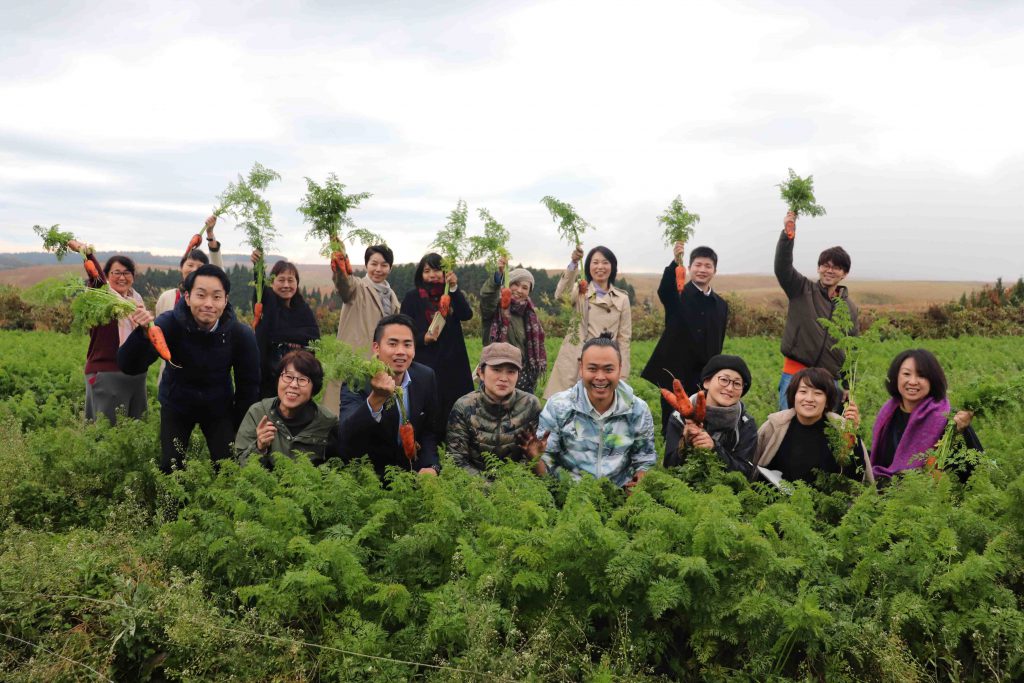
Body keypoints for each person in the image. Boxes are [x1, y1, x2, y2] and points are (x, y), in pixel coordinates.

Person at [118, 264, 260, 473]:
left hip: (218, 406)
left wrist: (240, 427)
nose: (208, 304)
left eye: (217, 297)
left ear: (226, 300)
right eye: (201, 295)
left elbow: (249, 385)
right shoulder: (168, 325)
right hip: (177, 404)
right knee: (171, 466)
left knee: (227, 465)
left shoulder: (240, 334)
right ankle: (174, 505)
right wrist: (141, 335)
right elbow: (129, 366)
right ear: (187, 297)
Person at [532, 334, 655, 488]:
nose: (600, 377)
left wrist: (639, 482)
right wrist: (535, 458)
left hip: (619, 498)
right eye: (592, 368)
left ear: (619, 369)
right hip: (568, 498)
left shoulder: (637, 409)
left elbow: (645, 459)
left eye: (608, 369)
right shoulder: (558, 406)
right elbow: (546, 460)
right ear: (581, 368)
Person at [337, 313, 442, 477]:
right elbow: (346, 435)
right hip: (370, 476)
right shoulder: (357, 379)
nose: (401, 351)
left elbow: (429, 431)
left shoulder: (425, 377)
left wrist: (431, 466)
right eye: (392, 344)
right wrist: (376, 399)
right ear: (376, 348)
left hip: (412, 474)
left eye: (407, 345)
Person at [774, 210, 858, 410]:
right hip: (795, 374)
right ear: (819, 268)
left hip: (829, 381)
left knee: (824, 436)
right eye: (825, 265)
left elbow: (851, 348)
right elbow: (782, 267)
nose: (830, 270)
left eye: (836, 267)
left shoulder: (849, 308)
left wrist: (847, 384)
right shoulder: (801, 289)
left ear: (844, 274)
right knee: (788, 429)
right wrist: (788, 234)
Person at [641, 244, 728, 435]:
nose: (702, 270)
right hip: (675, 373)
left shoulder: (721, 305)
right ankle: (670, 457)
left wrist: (714, 372)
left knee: (699, 419)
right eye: (698, 265)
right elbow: (664, 289)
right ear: (689, 268)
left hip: (703, 375)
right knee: (672, 419)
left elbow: (718, 341)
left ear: (714, 270)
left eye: (707, 266)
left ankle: (693, 454)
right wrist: (675, 261)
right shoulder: (677, 295)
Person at [65, 241, 150, 425]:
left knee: (135, 432)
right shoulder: (100, 297)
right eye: (116, 272)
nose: (122, 277)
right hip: (107, 373)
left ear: (133, 277)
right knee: (105, 433)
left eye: (126, 272)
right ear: (107, 276)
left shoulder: (137, 301)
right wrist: (86, 254)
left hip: (135, 376)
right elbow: (96, 277)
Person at [870, 349, 982, 480]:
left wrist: (960, 434)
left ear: (932, 380)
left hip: (930, 497)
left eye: (921, 376)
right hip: (886, 493)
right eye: (906, 374)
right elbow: (880, 462)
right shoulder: (887, 414)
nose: (912, 381)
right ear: (895, 377)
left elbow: (976, 470)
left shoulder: (951, 419)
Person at [544, 246, 631, 399]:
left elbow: (624, 339)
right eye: (595, 262)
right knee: (567, 408)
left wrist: (622, 374)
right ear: (589, 266)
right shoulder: (581, 289)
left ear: (612, 266)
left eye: (605, 262)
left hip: (604, 362)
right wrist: (574, 263)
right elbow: (561, 295)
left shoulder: (622, 298)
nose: (600, 267)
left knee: (599, 408)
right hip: (576, 359)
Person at [754, 367, 867, 485]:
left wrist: (852, 434)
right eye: (803, 391)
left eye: (818, 393)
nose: (809, 399)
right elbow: (753, 473)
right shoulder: (774, 426)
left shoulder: (840, 429)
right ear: (794, 396)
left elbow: (854, 481)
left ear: (827, 401)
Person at [399, 253, 473, 430]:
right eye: (427, 270)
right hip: (425, 360)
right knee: (429, 403)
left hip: (452, 361)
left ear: (446, 272)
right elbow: (403, 329)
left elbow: (466, 314)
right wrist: (423, 338)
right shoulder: (412, 297)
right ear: (420, 274)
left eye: (437, 269)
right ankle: (430, 441)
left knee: (454, 403)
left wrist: (454, 288)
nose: (432, 274)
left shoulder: (450, 294)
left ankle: (454, 441)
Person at [447, 342, 543, 475]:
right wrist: (488, 487)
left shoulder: (530, 405)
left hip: (517, 486)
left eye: (511, 371)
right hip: (474, 488)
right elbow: (456, 460)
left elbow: (530, 458)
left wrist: (513, 483)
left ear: (518, 375)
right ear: (481, 372)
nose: (504, 378)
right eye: (496, 369)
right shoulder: (464, 406)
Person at [323, 245, 401, 410]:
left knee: (372, 412)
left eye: (384, 265)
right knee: (344, 412)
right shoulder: (356, 288)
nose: (378, 269)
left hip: (380, 365)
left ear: (390, 268)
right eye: (374, 264)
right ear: (366, 265)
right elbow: (343, 282)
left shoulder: (392, 296)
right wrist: (340, 257)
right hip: (353, 362)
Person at [235, 349, 340, 467]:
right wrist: (260, 447)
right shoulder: (258, 413)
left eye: (302, 380)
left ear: (314, 389)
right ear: (278, 380)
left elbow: (337, 468)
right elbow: (241, 466)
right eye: (288, 377)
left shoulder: (327, 422)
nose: (293, 385)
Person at [155, 217, 224, 385]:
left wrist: (210, 235)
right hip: (171, 375)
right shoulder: (167, 298)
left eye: (200, 267)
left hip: (205, 372)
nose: (194, 270)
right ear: (181, 268)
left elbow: (219, 271)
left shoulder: (211, 301)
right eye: (190, 265)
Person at [664, 355, 757, 478]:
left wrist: (715, 449)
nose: (730, 388)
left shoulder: (745, 424)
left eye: (737, 383)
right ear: (707, 382)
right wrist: (686, 443)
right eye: (724, 380)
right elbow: (669, 466)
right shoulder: (680, 417)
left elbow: (745, 474)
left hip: (724, 493)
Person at [248, 253, 321, 398]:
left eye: (290, 280)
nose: (286, 285)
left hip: (297, 379)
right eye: (281, 280)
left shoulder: (303, 309)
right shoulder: (268, 303)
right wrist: (258, 266)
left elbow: (314, 340)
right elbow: (260, 285)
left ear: (297, 283)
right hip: (268, 378)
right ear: (272, 283)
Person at [480, 255, 547, 394]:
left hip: (523, 379)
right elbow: (487, 296)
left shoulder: (530, 315)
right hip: (496, 373)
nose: (519, 290)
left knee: (522, 415)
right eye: (515, 284)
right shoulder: (494, 308)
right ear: (508, 284)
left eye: (525, 287)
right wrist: (498, 276)